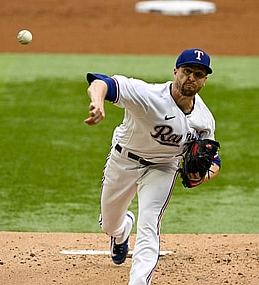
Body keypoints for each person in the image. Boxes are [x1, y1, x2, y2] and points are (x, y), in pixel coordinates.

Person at [84, 48, 221, 285]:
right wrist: (98, 103)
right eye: (187, 71)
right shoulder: (147, 95)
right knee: (109, 223)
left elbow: (214, 160)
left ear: (205, 81)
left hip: (163, 168)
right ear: (175, 71)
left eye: (198, 74)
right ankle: (122, 230)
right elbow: (100, 82)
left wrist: (202, 176)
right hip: (124, 160)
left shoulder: (204, 120)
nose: (191, 78)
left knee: (150, 223)